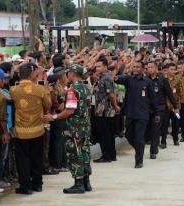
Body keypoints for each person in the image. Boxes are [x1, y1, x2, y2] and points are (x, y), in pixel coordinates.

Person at [45, 64, 92, 194]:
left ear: (72, 74)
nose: (67, 75)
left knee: (75, 154)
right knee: (84, 152)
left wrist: (53, 117)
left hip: (74, 128)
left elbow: (69, 110)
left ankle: (79, 184)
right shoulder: (86, 87)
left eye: (68, 73)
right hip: (85, 126)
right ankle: (86, 182)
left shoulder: (73, 90)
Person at [10, 63, 52, 194]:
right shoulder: (39, 89)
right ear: (31, 74)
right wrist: (46, 91)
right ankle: (37, 184)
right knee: (37, 158)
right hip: (37, 129)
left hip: (21, 132)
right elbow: (48, 104)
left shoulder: (13, 90)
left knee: (23, 160)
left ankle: (25, 186)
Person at [115, 61, 159, 168]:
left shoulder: (148, 82)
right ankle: (140, 149)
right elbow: (116, 78)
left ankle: (139, 161)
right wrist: (118, 68)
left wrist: (156, 113)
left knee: (139, 137)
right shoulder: (128, 79)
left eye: (137, 67)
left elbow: (153, 100)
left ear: (143, 69)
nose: (135, 68)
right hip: (130, 113)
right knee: (128, 136)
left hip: (142, 115)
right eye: (134, 67)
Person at [145, 61, 178, 158]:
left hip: (159, 109)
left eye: (151, 67)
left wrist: (175, 106)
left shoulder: (162, 80)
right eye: (148, 67)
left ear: (156, 68)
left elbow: (169, 93)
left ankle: (153, 151)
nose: (149, 69)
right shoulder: (145, 79)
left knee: (156, 130)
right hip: (147, 109)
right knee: (148, 130)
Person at [93, 57, 120, 163]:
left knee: (105, 134)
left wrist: (115, 106)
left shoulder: (106, 78)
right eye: (96, 67)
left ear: (105, 66)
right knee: (109, 134)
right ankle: (111, 155)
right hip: (102, 110)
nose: (97, 68)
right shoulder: (103, 77)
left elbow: (111, 95)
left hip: (105, 111)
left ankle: (106, 156)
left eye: (99, 66)